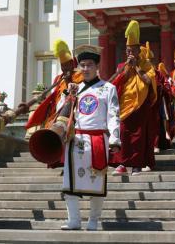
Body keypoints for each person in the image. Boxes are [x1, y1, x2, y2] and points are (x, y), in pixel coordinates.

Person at [60, 44, 120, 231]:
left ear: (97, 67)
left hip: (97, 140)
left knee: (97, 184)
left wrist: (114, 138)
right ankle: (74, 220)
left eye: (89, 65)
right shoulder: (75, 89)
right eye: (82, 65)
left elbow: (114, 114)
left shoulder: (108, 88)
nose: (85, 69)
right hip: (76, 140)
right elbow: (61, 113)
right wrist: (67, 96)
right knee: (69, 182)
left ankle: (93, 220)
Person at [25, 39, 84, 167]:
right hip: (58, 111)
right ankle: (57, 160)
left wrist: (69, 81)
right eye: (62, 66)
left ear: (72, 64)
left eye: (67, 65)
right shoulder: (58, 78)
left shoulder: (80, 75)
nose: (64, 68)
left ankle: (69, 163)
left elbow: (78, 92)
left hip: (74, 111)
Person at [110, 20, 157, 176]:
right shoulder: (122, 66)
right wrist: (127, 68)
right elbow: (115, 82)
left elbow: (149, 81)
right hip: (124, 105)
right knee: (123, 133)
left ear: (138, 51)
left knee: (138, 136)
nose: (129, 53)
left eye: (132, 50)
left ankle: (136, 165)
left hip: (140, 105)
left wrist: (136, 67)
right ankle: (122, 164)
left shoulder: (146, 66)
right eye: (127, 50)